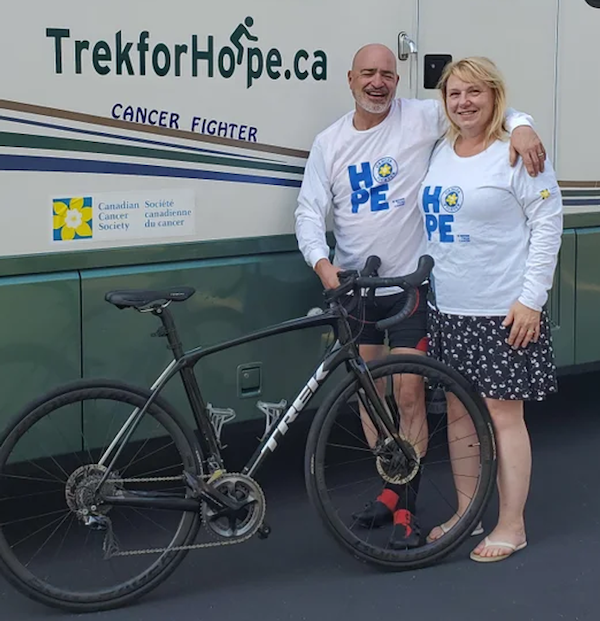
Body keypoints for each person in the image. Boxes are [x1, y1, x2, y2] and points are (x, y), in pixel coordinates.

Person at [294, 43, 547, 549]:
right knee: (372, 400)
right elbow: (308, 210)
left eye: (387, 73)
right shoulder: (330, 142)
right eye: (368, 73)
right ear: (350, 79)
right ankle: (393, 487)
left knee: (410, 394)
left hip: (410, 289)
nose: (378, 82)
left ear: (397, 80)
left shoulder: (419, 116)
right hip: (356, 289)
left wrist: (523, 124)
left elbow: (483, 105)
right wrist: (324, 269)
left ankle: (408, 507)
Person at [421, 56, 563, 561]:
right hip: (449, 309)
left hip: (503, 312)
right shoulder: (441, 148)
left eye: (475, 92)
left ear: (494, 96)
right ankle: (466, 511)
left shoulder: (516, 151)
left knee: (504, 417)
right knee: (458, 414)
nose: (464, 102)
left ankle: (511, 524)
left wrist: (531, 301)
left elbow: (548, 224)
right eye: (455, 93)